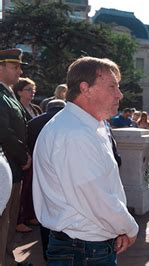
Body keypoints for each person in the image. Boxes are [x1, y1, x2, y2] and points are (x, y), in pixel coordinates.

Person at [32, 57, 138, 264]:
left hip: (84, 246)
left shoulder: (84, 126)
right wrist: (129, 228)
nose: (119, 94)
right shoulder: (75, 133)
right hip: (84, 250)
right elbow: (97, 198)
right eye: (112, 86)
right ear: (85, 88)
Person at [0, 48, 32, 266]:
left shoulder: (8, 93)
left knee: (9, 221)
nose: (19, 71)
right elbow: (5, 133)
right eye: (14, 66)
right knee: (3, 221)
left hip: (14, 169)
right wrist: (23, 157)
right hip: (8, 166)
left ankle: (8, 259)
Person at [26, 99, 66, 261]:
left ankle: (48, 254)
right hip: (64, 172)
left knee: (45, 212)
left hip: (39, 169)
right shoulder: (68, 122)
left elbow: (27, 144)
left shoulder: (34, 122)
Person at [12, 78, 42, 233]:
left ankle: (30, 215)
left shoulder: (35, 108)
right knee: (22, 189)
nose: (32, 92)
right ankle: (19, 220)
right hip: (23, 153)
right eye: (29, 89)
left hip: (36, 152)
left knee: (32, 187)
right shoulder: (17, 107)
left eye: (33, 89)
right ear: (19, 92)